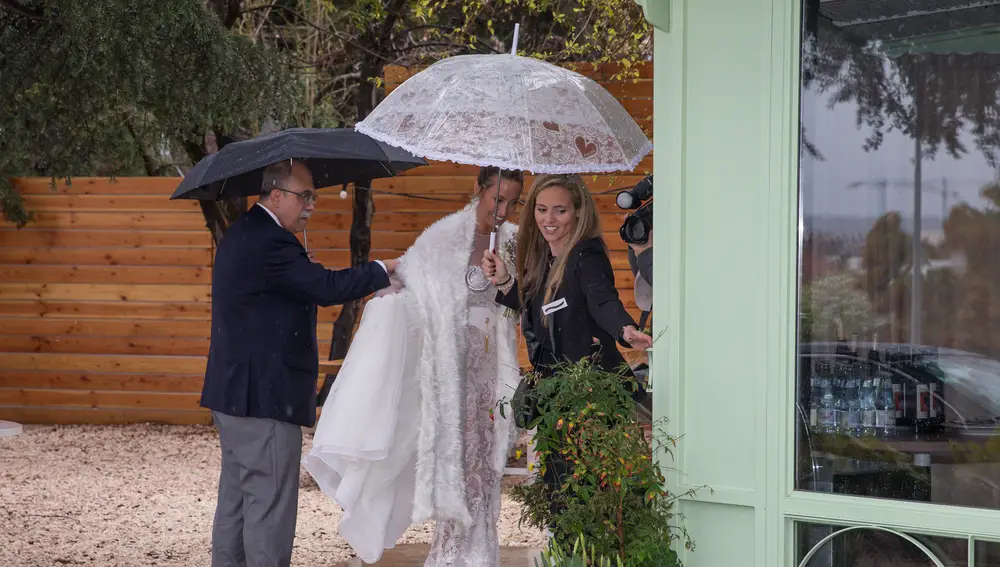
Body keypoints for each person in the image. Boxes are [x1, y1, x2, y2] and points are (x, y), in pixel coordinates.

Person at [302, 167, 525, 566]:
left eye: (513, 202)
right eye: (498, 199)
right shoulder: (443, 237)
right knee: (454, 462)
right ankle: (452, 554)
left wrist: (507, 278)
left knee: (487, 463)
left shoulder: (515, 242)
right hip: (450, 373)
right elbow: (410, 280)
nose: (504, 210)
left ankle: (482, 551)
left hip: (491, 372)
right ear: (478, 190)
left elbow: (528, 298)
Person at [199, 158, 398, 567]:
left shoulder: (243, 233)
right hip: (263, 399)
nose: (311, 205)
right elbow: (324, 287)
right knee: (269, 510)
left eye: (313, 196)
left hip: (232, 394)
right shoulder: (271, 242)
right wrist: (383, 269)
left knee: (236, 504)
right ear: (276, 195)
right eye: (304, 196)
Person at [481, 173, 652, 539]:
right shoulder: (543, 257)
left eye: (560, 210)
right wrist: (505, 280)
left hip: (590, 398)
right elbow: (538, 312)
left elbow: (601, 299)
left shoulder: (585, 256)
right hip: (557, 398)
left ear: (578, 212)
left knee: (588, 501)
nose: (549, 219)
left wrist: (624, 329)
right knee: (563, 500)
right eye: (542, 209)